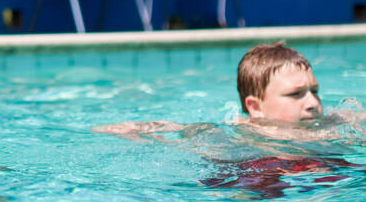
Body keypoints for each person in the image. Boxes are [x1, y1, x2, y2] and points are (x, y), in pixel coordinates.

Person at [95, 40, 366, 140]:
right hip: (259, 179)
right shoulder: (242, 136)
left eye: (314, 90)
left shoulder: (331, 123)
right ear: (255, 107)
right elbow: (185, 129)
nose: (312, 103)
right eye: (296, 94)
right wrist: (138, 130)